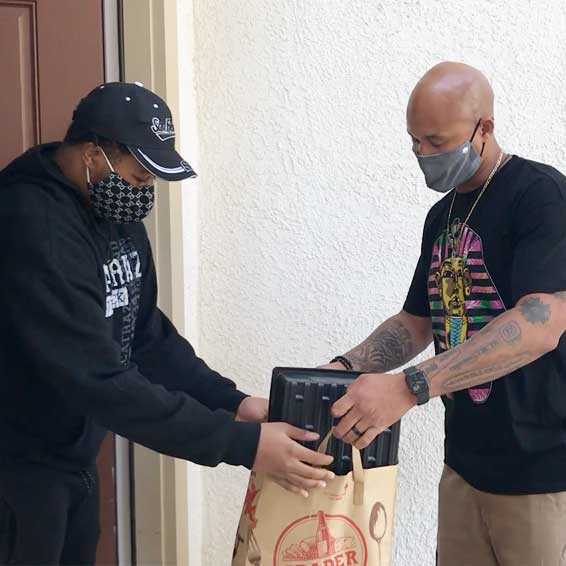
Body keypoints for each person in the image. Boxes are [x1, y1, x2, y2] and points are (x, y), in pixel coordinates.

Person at [0, 82, 333, 565]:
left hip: (70, 462)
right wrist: (243, 445)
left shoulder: (110, 205)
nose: (144, 194)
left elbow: (145, 335)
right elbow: (99, 380)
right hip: (18, 472)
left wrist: (233, 403)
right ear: (94, 155)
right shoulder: (35, 226)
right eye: (139, 178)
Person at [325, 62, 566, 565]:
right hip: (463, 466)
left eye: (436, 141)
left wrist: (409, 387)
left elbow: (541, 324)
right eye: (414, 142)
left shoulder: (540, 195)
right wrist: (345, 368)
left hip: (543, 475)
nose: (422, 155)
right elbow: (416, 321)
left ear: (485, 128)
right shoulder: (443, 215)